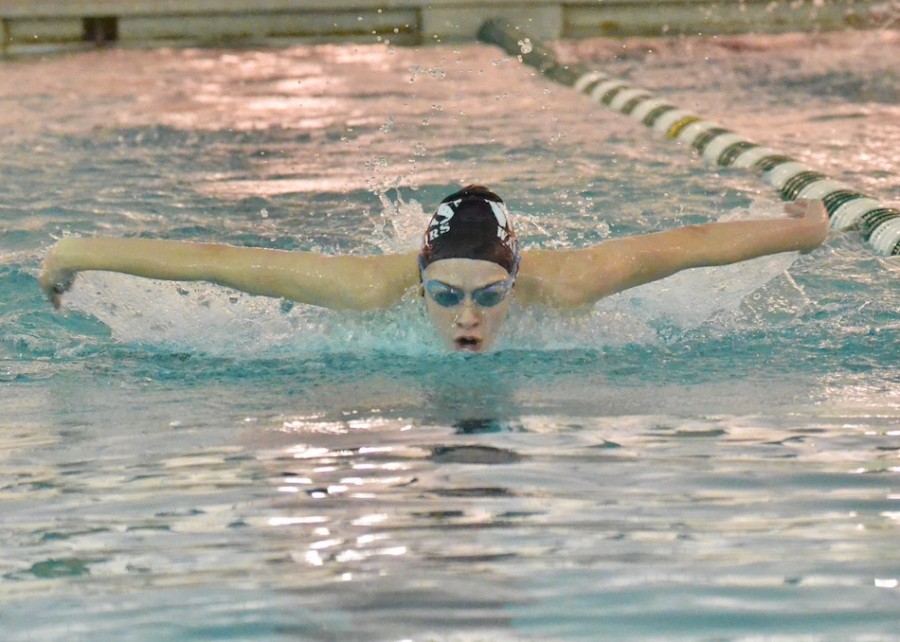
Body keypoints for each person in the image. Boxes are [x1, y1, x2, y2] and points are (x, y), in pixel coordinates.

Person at [39, 185, 829, 352]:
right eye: (445, 296)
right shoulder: (365, 289)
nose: (467, 317)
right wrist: (77, 251)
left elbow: (689, 242)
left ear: (518, 281)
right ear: (417, 283)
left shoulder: (571, 280)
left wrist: (806, 229)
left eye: (490, 296)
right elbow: (218, 265)